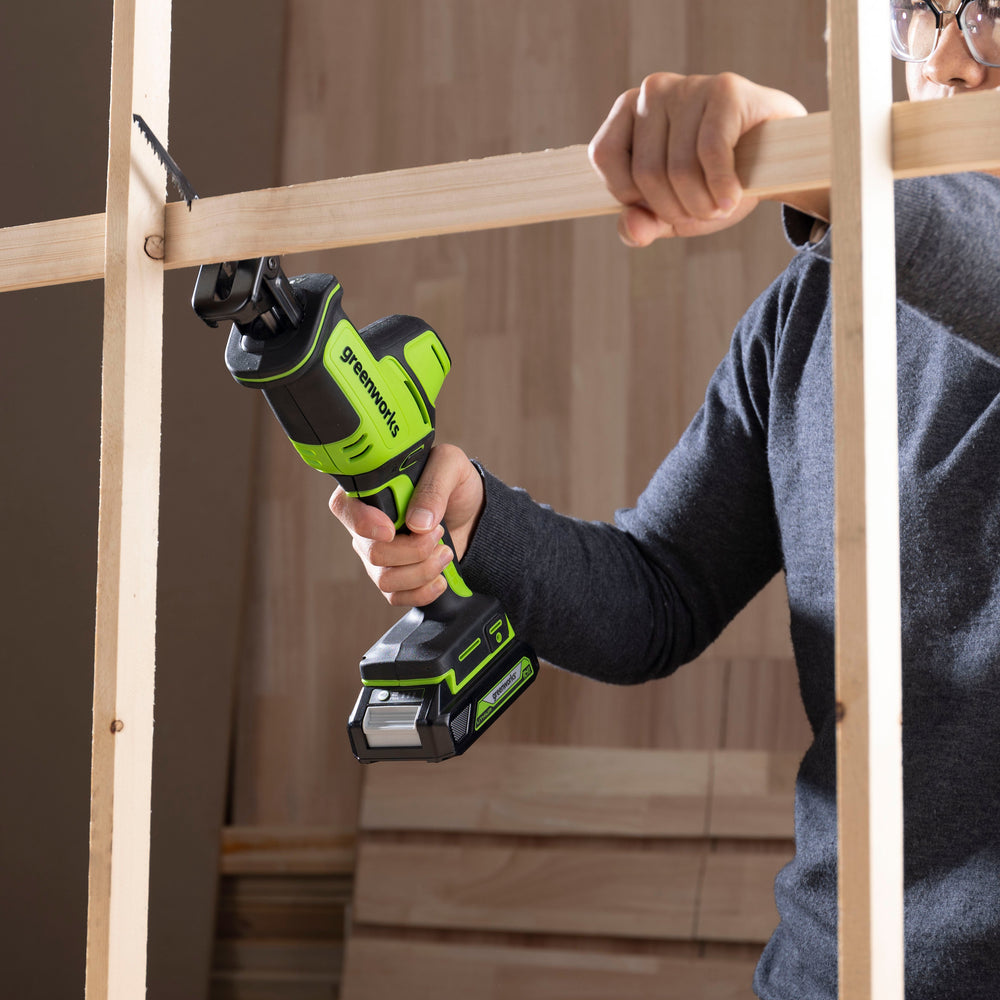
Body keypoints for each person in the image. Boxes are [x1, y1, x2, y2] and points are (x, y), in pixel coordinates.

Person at [331, 3, 1000, 998]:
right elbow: (660, 595)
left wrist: (794, 148)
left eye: (990, 15)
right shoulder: (806, 311)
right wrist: (475, 521)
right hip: (836, 966)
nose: (944, 58)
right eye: (920, 11)